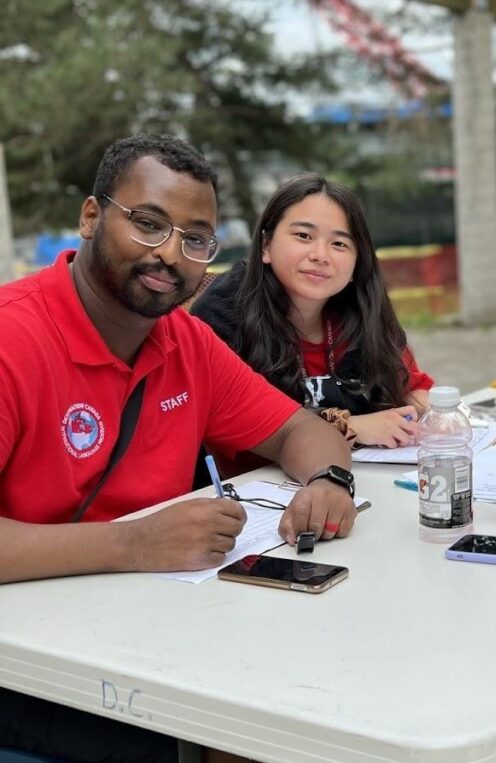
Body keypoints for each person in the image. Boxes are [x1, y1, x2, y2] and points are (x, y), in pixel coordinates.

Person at [0, 134, 360, 761]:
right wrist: (133, 544)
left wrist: (328, 481)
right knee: (246, 725)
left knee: (313, 686)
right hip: (30, 661)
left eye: (195, 238)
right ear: (91, 218)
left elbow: (300, 429)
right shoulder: (13, 338)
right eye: (148, 223)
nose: (170, 253)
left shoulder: (185, 342)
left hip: (147, 631)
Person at [191, 174, 432, 475]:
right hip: (254, 492)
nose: (320, 256)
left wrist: (422, 411)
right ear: (266, 245)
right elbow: (229, 428)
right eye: (303, 236)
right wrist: (351, 426)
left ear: (358, 263)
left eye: (339, 243)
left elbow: (411, 384)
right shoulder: (223, 313)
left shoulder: (362, 311)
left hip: (357, 480)